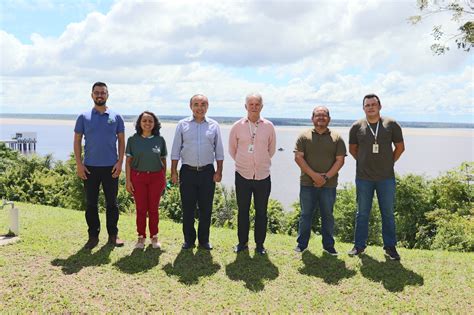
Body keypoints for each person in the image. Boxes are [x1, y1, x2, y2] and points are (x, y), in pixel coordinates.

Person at [348, 93, 405, 260]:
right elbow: (352, 149)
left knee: (387, 213)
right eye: (367, 105)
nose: (371, 107)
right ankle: (359, 246)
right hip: (364, 178)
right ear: (363, 108)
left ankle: (390, 247)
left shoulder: (391, 124)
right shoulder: (356, 126)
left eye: (373, 104)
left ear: (380, 106)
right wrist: (364, 162)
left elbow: (400, 147)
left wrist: (389, 162)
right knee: (362, 213)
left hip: (386, 178)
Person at [74, 82, 125, 249]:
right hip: (90, 168)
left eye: (103, 93)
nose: (100, 95)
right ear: (92, 95)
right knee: (91, 204)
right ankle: (93, 237)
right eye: (97, 93)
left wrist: (120, 163)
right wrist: (79, 164)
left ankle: (113, 235)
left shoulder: (116, 117)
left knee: (112, 203)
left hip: (111, 167)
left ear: (107, 95)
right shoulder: (83, 117)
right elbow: (77, 141)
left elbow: (122, 142)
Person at [170, 94, 224, 250]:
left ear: (207, 107)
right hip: (187, 171)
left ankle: (204, 240)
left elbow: (219, 151)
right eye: (196, 104)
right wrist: (174, 171)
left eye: (203, 104)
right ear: (190, 106)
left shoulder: (214, 126)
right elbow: (175, 150)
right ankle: (188, 240)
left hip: (207, 172)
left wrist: (219, 171)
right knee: (187, 208)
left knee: (206, 209)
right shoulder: (182, 125)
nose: (199, 107)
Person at [294, 106, 346, 255]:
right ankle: (301, 245)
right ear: (312, 118)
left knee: (328, 216)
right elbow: (298, 158)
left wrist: (326, 177)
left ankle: (328, 246)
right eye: (318, 115)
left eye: (324, 115)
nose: (321, 118)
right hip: (307, 184)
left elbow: (340, 160)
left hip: (329, 185)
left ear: (329, 119)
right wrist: (315, 176)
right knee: (305, 215)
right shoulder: (303, 137)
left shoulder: (337, 138)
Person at [229, 93, 276, 255]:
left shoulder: (269, 126)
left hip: (263, 175)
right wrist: (245, 162)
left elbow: (271, 149)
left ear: (262, 107)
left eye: (257, 104)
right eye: (251, 104)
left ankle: (260, 244)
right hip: (242, 175)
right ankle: (242, 243)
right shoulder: (237, 126)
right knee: (243, 211)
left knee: (261, 211)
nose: (254, 107)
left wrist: (259, 162)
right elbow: (232, 150)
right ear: (246, 106)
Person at [125, 111, 167, 250]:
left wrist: (163, 179)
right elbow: (128, 161)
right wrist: (128, 181)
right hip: (138, 178)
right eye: (144, 120)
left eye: (150, 121)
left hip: (156, 178)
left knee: (153, 209)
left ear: (155, 124)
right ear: (139, 123)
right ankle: (141, 237)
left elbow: (163, 160)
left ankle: (154, 237)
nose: (147, 123)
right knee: (141, 209)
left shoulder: (159, 140)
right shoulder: (132, 140)